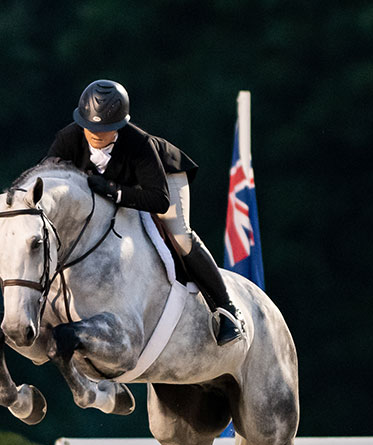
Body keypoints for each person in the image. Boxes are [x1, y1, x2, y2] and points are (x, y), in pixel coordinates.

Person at [47, 79, 245, 346]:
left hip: (162, 179)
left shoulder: (140, 144)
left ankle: (228, 310)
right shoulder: (68, 137)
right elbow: (45, 179)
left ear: (119, 126)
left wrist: (115, 191)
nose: (95, 134)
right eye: (89, 127)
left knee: (180, 235)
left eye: (104, 129)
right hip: (120, 183)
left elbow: (159, 200)